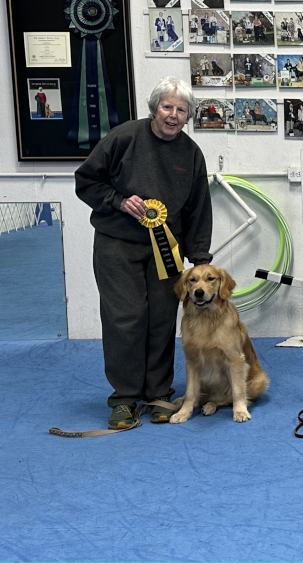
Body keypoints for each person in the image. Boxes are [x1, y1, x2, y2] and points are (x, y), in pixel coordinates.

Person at [74, 77, 212, 429]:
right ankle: (123, 398)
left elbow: (198, 208)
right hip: (117, 244)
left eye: (182, 110)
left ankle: (158, 393)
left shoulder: (191, 153)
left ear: (188, 116)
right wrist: (119, 201)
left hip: (166, 251)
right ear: (154, 109)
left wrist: (200, 257)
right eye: (167, 107)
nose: (173, 115)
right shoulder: (123, 138)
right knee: (126, 318)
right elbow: (87, 181)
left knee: (163, 320)